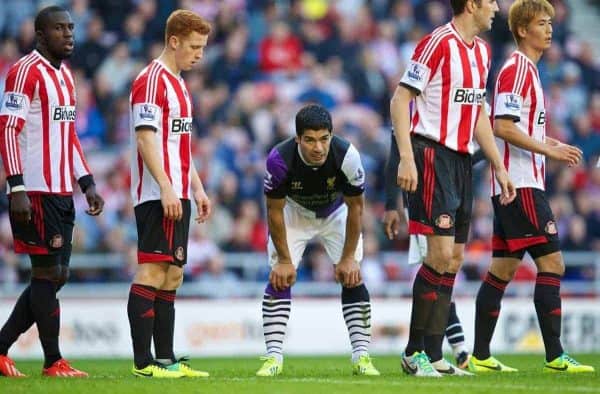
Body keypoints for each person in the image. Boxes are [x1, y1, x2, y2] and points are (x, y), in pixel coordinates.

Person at [390, 0, 516, 377]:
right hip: (432, 155)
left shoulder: (482, 51)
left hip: (462, 161)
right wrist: (407, 157)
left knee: (453, 260)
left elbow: (478, 112)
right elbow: (400, 100)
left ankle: (435, 355)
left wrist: (497, 163)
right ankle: (414, 353)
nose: (496, 7)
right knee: (438, 255)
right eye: (491, 1)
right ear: (472, 4)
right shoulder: (437, 42)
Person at [469, 0, 594, 373]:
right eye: (542, 23)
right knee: (552, 262)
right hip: (520, 184)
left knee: (502, 271)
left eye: (551, 23)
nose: (550, 29)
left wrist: (552, 145)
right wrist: (547, 151)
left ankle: (479, 355)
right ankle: (556, 355)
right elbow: (502, 126)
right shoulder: (516, 70)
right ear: (523, 30)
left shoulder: (531, 72)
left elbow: (521, 130)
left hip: (516, 183)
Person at [0, 6, 104, 378]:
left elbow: (69, 135)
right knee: (47, 274)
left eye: (71, 28)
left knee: (56, 275)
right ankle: (52, 361)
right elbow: (8, 129)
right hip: (34, 191)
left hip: (61, 190)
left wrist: (86, 182)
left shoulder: (65, 76)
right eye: (60, 29)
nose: (69, 34)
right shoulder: (25, 71)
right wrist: (17, 186)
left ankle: (0, 348)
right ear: (41, 34)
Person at [257, 104, 379, 377]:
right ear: (298, 138)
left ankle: (362, 356)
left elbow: (357, 207)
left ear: (332, 135)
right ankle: (273, 357)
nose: (319, 148)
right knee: (280, 276)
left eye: (324, 139)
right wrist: (286, 261)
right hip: (294, 213)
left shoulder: (347, 155)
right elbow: (274, 211)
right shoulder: (279, 159)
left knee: (353, 276)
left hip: (336, 213)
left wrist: (348, 258)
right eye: (310, 140)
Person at [127, 9, 212, 379]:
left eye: (203, 47)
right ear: (173, 41)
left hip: (179, 192)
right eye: (194, 46)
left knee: (173, 274)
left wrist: (197, 186)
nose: (199, 54)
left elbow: (180, 144)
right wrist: (164, 186)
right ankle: (143, 363)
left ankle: (166, 358)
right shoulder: (150, 81)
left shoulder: (180, 84)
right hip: (156, 192)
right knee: (152, 269)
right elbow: (145, 138)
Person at [382, 133, 487, 370]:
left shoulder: (456, 113)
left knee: (445, 266)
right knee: (436, 267)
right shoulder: (413, 108)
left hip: (451, 189)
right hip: (424, 195)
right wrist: (391, 205)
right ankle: (428, 351)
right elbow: (395, 156)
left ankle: (436, 354)